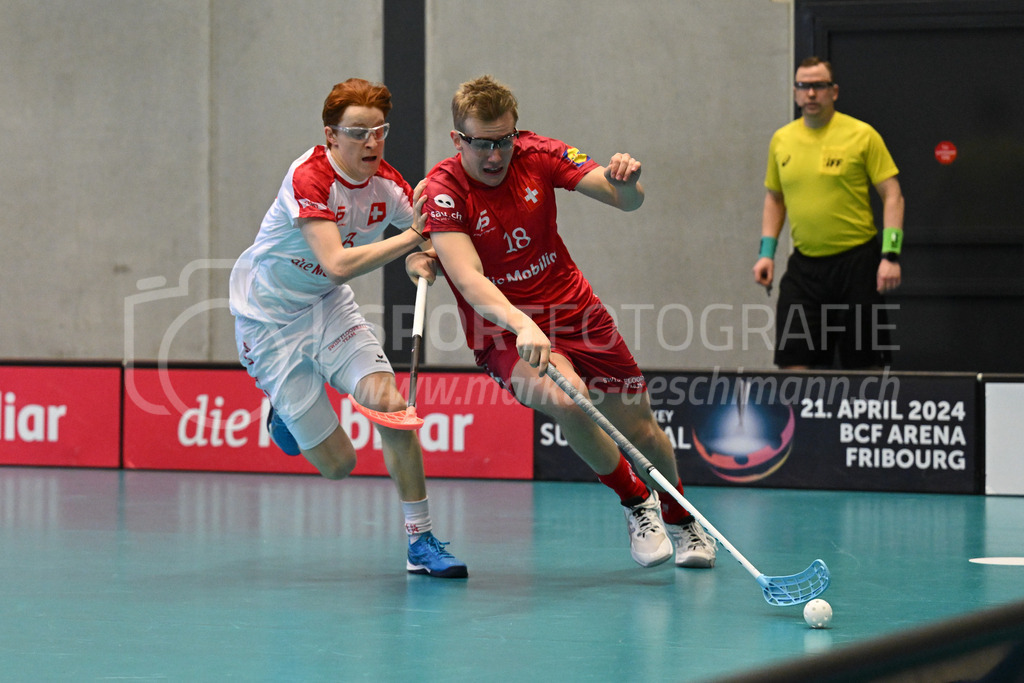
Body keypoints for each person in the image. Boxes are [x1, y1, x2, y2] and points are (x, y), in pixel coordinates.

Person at [405, 74, 716, 570]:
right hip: (500, 329)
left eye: (503, 140)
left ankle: (684, 519)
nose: (494, 155)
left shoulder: (538, 154)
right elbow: (467, 279)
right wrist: (521, 324)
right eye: (481, 143)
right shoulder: (445, 189)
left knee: (640, 425)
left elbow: (626, 201)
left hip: (574, 309)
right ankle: (638, 503)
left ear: (516, 132)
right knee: (567, 397)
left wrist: (627, 185)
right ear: (457, 139)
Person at [228, 78, 467, 579]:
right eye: (358, 132)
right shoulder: (309, 177)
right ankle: (283, 419)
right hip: (269, 323)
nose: (372, 142)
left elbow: (424, 241)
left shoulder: (390, 186)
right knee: (339, 465)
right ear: (331, 136)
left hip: (328, 307)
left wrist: (418, 258)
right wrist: (413, 241)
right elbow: (337, 262)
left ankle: (420, 541)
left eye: (379, 130)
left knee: (391, 405)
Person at [753, 57, 906, 369]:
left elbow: (893, 195)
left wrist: (890, 256)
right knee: (793, 362)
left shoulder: (862, 135)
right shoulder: (782, 140)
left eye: (819, 86)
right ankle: (805, 419)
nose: (811, 94)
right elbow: (774, 198)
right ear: (795, 92)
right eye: (803, 86)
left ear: (833, 91)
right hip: (805, 269)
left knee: (863, 367)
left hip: (857, 266)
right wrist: (766, 253)